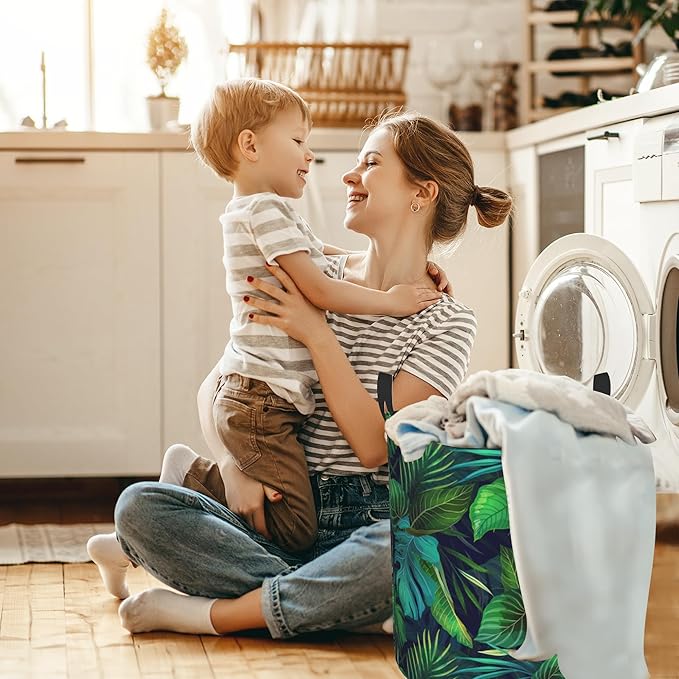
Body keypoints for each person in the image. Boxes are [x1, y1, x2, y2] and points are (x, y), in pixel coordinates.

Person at [96, 110, 512, 637]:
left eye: (371, 163)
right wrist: (233, 464)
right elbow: (219, 385)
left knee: (402, 550)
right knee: (139, 507)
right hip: (277, 510)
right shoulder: (312, 278)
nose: (348, 175)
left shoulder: (446, 321)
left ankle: (217, 614)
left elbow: (373, 447)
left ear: (421, 193)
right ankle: (326, 604)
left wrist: (317, 334)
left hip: (367, 522)